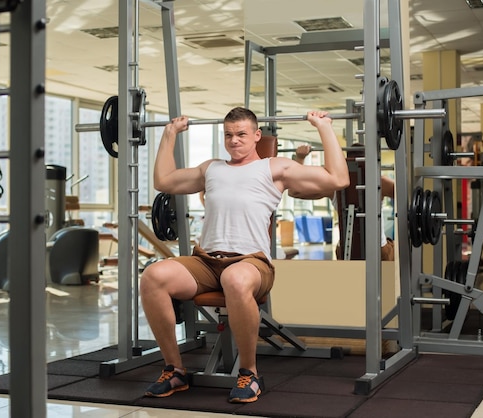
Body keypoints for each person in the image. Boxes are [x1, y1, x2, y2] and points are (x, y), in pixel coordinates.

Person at [139, 107, 349, 403]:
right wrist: (169, 134)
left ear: (256, 136)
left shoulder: (275, 168)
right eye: (228, 135)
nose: (234, 141)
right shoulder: (211, 168)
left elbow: (338, 179)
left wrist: (324, 128)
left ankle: (249, 374)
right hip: (205, 261)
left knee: (235, 279)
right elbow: (164, 181)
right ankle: (175, 369)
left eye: (240, 134)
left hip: (251, 263)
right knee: (153, 276)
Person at [293, 144, 395, 260]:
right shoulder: (380, 183)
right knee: (398, 247)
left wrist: (300, 158)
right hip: (379, 252)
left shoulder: (333, 186)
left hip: (345, 252)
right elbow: (409, 197)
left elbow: (294, 191)